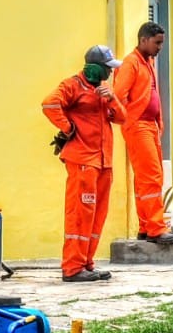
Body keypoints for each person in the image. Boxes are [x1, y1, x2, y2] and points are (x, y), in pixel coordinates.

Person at [42, 46, 126, 281]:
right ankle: (72, 267)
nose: (109, 73)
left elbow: (121, 118)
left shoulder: (103, 90)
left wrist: (111, 100)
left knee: (97, 214)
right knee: (80, 214)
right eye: (107, 68)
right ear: (96, 68)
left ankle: (86, 262)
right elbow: (49, 104)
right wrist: (68, 127)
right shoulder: (72, 85)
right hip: (82, 161)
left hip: (102, 162)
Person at [114, 22, 173, 245]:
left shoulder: (148, 61)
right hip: (138, 125)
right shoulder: (131, 63)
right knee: (151, 176)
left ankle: (146, 226)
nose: (160, 47)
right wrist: (127, 119)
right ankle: (156, 228)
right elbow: (118, 94)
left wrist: (158, 121)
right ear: (144, 40)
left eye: (161, 42)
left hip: (150, 125)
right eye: (157, 43)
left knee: (147, 178)